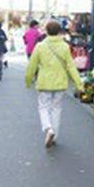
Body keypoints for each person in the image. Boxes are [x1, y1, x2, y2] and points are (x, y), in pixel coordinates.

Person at [25, 20, 83, 149]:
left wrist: (28, 80)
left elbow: (32, 65)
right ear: (59, 32)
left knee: (43, 107)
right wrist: (79, 84)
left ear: (46, 31)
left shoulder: (40, 46)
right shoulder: (64, 46)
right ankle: (54, 135)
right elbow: (71, 67)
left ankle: (48, 128)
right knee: (56, 108)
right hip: (60, 83)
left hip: (44, 82)